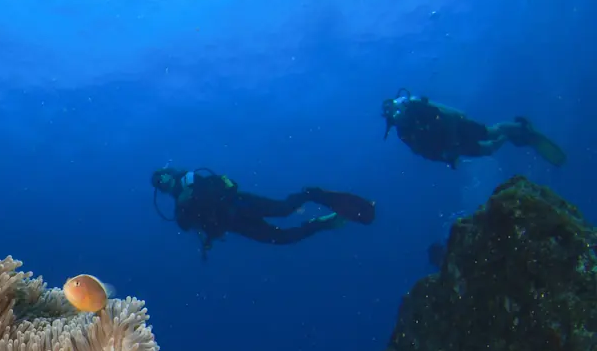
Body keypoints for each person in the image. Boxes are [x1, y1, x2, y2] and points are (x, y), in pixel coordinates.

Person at [150, 167, 376, 256]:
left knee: (284, 209)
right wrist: (185, 206)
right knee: (281, 238)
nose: (162, 182)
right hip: (236, 224)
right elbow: (188, 226)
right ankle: (323, 223)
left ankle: (311, 194)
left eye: (162, 177)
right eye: (159, 184)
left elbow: (219, 186)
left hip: (240, 204)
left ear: (169, 173)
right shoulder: (179, 209)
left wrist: (192, 194)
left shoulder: (190, 178)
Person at [381, 89, 566, 169]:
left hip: (458, 126)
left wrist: (452, 143)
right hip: (449, 145)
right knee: (489, 149)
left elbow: (448, 117)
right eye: (392, 117)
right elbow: (422, 151)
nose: (396, 117)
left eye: (395, 111)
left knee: (490, 132)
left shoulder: (416, 109)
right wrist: (446, 159)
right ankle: (510, 136)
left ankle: (521, 127)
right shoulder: (404, 133)